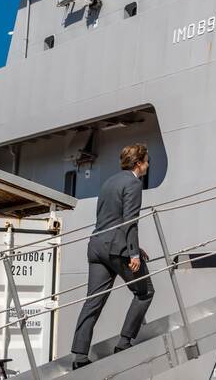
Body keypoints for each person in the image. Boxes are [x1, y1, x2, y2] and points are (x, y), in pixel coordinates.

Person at [71, 144, 154, 370]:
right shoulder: (134, 183)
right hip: (118, 248)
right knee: (145, 292)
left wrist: (137, 246)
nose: (148, 165)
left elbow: (109, 219)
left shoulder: (109, 182)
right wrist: (133, 253)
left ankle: (79, 357)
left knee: (93, 301)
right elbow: (129, 220)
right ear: (138, 164)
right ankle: (124, 342)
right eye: (146, 161)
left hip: (97, 246)